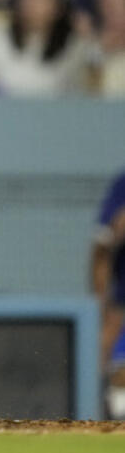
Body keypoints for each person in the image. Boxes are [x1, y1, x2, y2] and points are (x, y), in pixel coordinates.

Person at [92, 166, 125, 419]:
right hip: (120, 302)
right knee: (117, 370)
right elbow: (101, 247)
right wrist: (101, 303)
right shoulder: (122, 185)